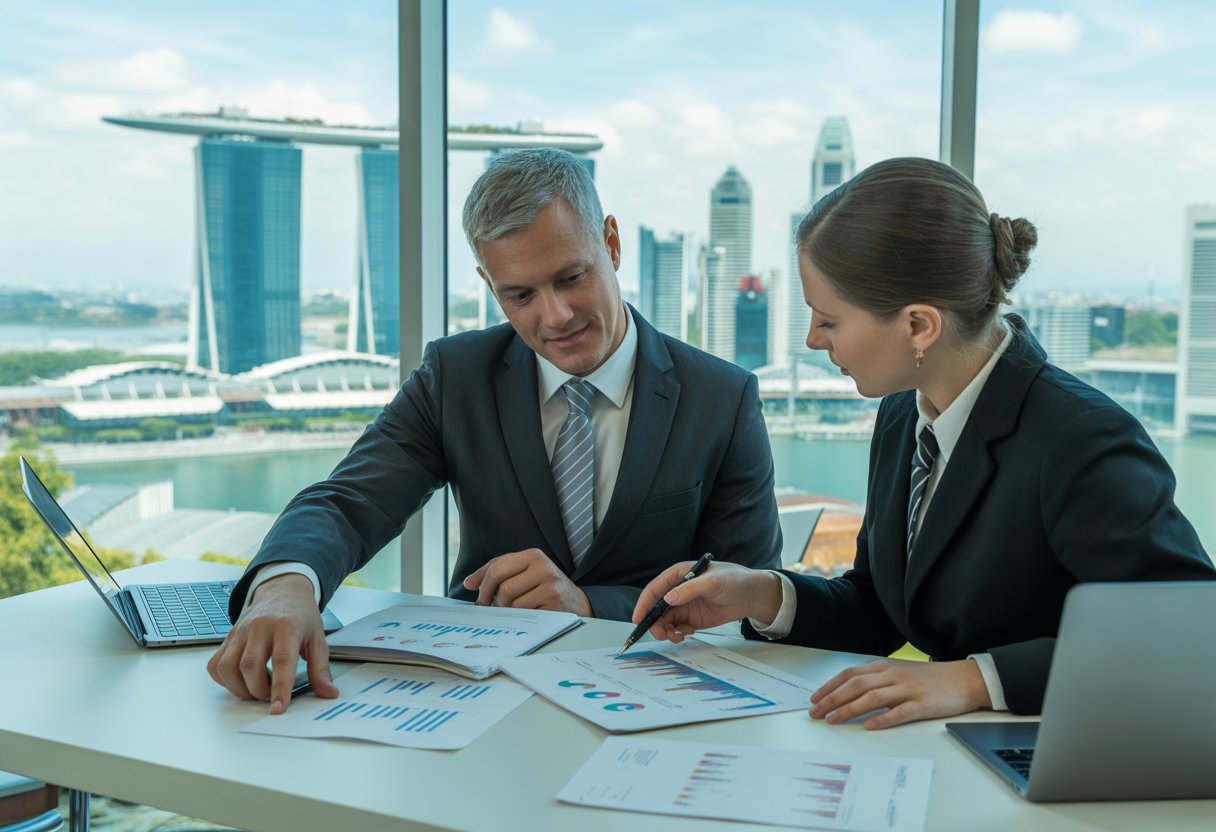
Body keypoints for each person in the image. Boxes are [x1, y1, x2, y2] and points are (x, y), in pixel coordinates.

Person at [633, 156, 1214, 730]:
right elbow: (879, 613)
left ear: (918, 326)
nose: (812, 340)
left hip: (1063, 757)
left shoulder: (1080, 439)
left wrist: (973, 679)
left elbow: (1190, 634)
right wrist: (762, 594)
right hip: (945, 750)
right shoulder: (900, 416)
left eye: (828, 320)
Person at [208, 148, 781, 712]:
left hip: (655, 702)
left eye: (570, 277)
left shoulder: (722, 398)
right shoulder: (454, 376)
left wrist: (586, 604)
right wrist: (285, 584)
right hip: (472, 699)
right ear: (488, 283)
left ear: (611, 242)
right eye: (520, 295)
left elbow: (745, 594)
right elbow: (348, 501)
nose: (554, 316)